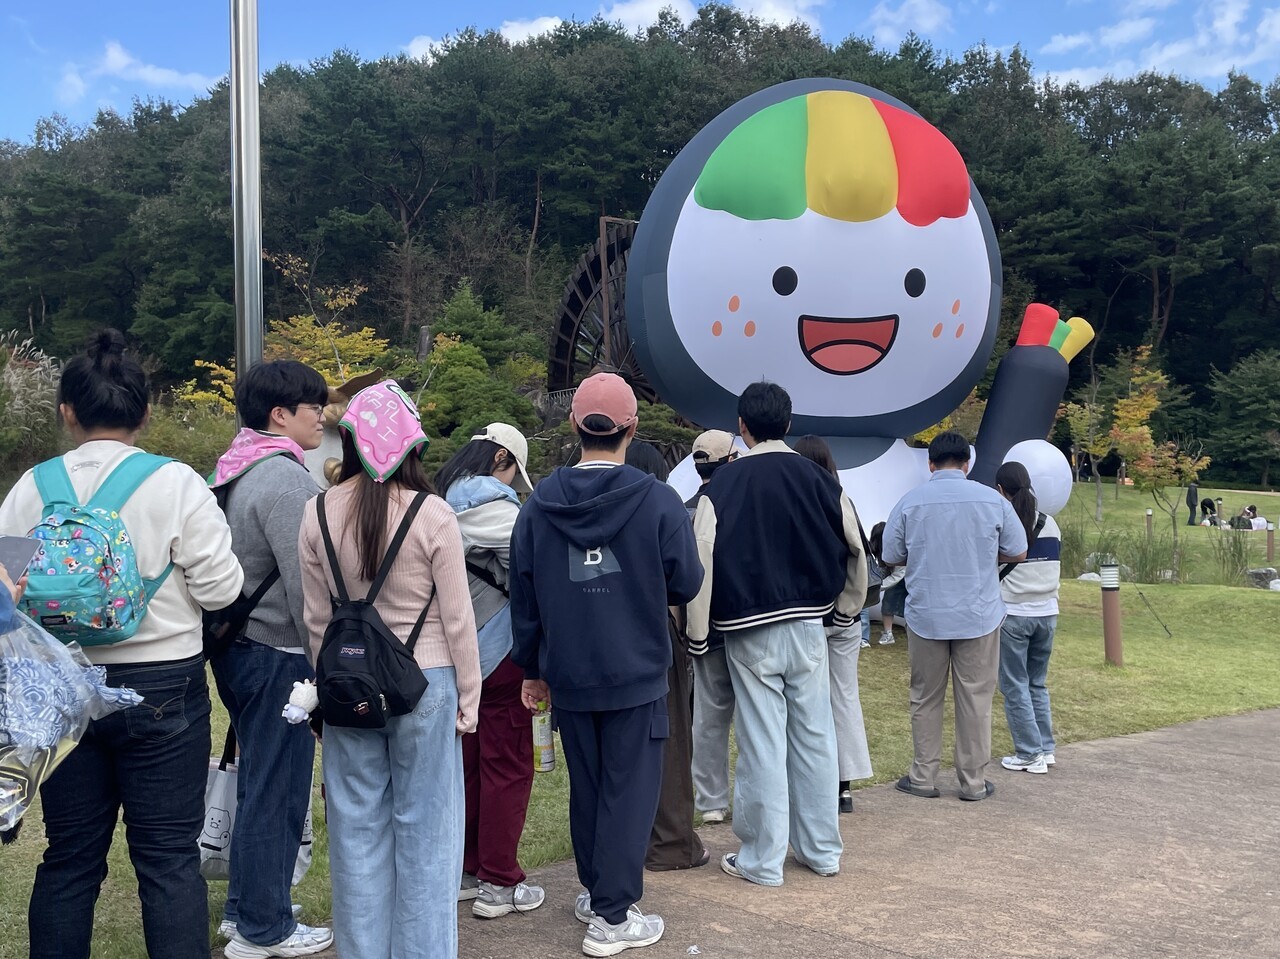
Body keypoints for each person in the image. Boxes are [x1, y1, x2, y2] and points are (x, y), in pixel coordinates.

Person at [0, 329, 245, 959]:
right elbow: (220, 591)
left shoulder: (31, 488)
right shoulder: (177, 483)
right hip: (162, 685)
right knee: (167, 862)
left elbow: (8, 592)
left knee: (70, 858)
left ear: (67, 411)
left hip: (62, 688)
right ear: (144, 411)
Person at [509, 373, 702, 957]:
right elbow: (688, 580)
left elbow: (526, 594)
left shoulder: (538, 505)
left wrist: (532, 668)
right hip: (637, 666)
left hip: (568, 668)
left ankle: (599, 894)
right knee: (631, 790)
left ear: (574, 425)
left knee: (590, 788)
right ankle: (614, 917)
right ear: (631, 428)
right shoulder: (658, 500)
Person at [298, 381, 481, 959]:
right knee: (429, 835)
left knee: (355, 833)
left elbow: (314, 621)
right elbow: (458, 620)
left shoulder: (317, 511)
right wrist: (469, 698)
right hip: (426, 684)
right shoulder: (433, 514)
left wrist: (327, 692)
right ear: (413, 447)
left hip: (348, 685)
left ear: (347, 440)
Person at [689, 382, 867, 886]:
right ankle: (821, 850)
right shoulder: (821, 480)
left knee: (762, 740)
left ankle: (763, 860)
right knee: (815, 735)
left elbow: (702, 558)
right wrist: (845, 611)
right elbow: (855, 547)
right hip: (810, 623)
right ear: (787, 424)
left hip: (747, 628)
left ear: (741, 427)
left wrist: (698, 635)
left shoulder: (718, 488)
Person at [208, 360, 333, 958]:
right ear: (280, 415)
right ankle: (265, 929)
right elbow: (309, 587)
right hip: (278, 654)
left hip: (239, 648)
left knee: (261, 780)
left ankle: (246, 909)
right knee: (276, 790)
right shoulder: (287, 483)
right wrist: (326, 667)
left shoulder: (238, 468)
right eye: (313, 407)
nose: (323, 416)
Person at [882, 431, 1027, 803]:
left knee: (925, 698)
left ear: (930, 464)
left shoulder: (910, 502)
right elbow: (1018, 550)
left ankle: (923, 776)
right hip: (978, 613)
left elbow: (891, 555)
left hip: (927, 613)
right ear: (968, 464)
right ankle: (973, 781)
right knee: (976, 698)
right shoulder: (992, 500)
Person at [436, 423, 545, 918]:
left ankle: (464, 869)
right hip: (501, 654)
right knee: (508, 766)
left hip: (450, 656)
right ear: (500, 457)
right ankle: (499, 881)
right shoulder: (499, 509)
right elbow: (535, 571)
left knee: (467, 768)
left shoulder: (435, 501)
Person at [622, 441, 709, 872]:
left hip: (590, 641)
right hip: (654, 633)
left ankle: (619, 843)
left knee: (608, 753)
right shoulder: (660, 505)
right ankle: (671, 842)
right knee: (669, 739)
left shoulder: (572, 501)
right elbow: (686, 578)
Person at [792, 435, 873, 815]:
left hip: (807, 615)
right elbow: (860, 557)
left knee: (807, 703)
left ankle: (813, 782)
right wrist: (849, 608)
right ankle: (844, 785)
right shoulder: (844, 500)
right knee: (844, 697)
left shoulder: (794, 504)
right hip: (845, 616)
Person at [684, 430, 738, 824]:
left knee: (708, 715)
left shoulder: (682, 508)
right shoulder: (735, 502)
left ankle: (711, 800)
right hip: (741, 620)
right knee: (754, 714)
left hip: (700, 624)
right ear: (730, 461)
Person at [994, 462, 1061, 776]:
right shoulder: (1051, 524)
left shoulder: (1004, 525)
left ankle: (1028, 753)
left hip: (1015, 613)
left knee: (1013, 685)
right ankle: (1045, 749)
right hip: (1048, 612)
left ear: (1000, 490)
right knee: (1037, 684)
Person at [871, 522, 905, 647]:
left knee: (911, 605)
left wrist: (876, 587)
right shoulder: (882, 551)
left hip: (910, 578)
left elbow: (898, 575)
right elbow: (884, 569)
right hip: (896, 577)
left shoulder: (900, 549)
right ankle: (888, 634)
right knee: (887, 604)